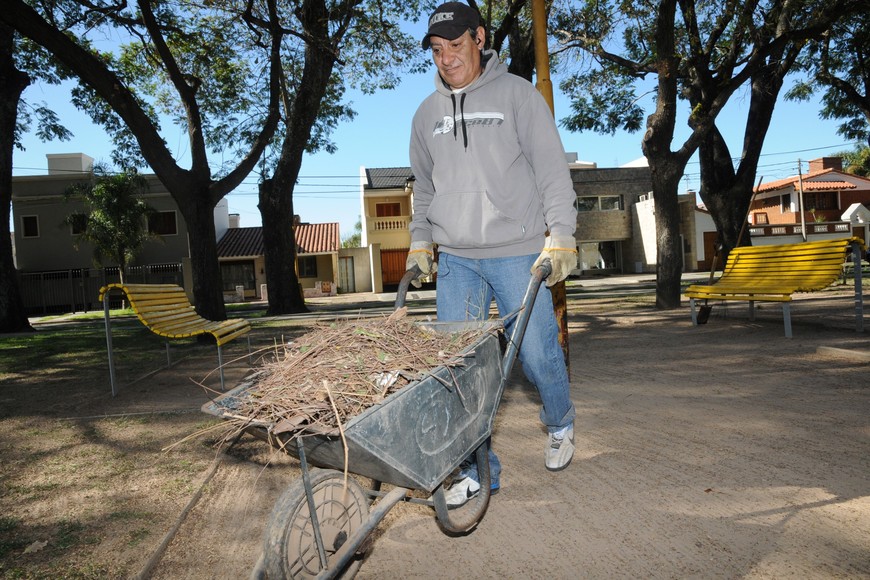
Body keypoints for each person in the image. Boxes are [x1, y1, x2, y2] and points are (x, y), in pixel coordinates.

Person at [407, 1, 578, 508]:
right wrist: (421, 240)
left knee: (536, 353)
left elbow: (552, 171)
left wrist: (561, 234)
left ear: (480, 39)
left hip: (516, 251)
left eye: (456, 45)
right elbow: (424, 188)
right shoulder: (426, 115)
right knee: (459, 367)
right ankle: (477, 470)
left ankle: (560, 423)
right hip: (457, 257)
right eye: (437, 50)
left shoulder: (518, 96)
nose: (447, 58)